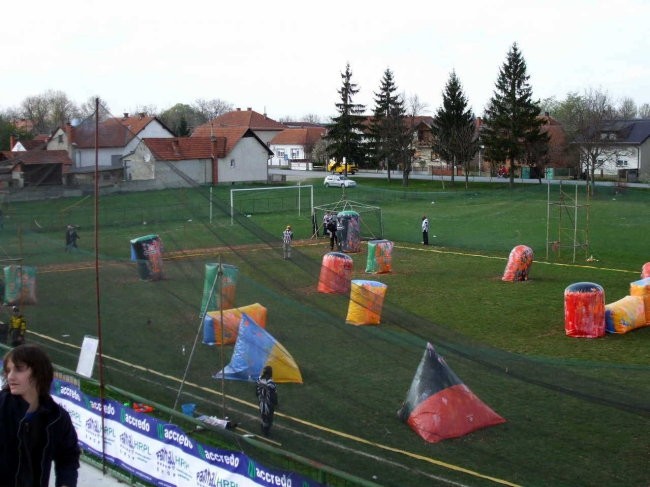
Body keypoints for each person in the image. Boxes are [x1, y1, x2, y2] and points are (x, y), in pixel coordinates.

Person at [0, 344, 80, 486]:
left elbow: (68, 458)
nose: (11, 376)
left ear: (38, 372)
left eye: (19, 369)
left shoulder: (57, 418)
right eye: (8, 370)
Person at [255, 365, 278, 437]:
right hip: (268, 404)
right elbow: (273, 395)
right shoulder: (271, 383)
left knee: (263, 416)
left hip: (261, 402)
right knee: (269, 418)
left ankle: (263, 428)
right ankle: (266, 432)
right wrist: (275, 403)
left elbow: (256, 391)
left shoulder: (259, 379)